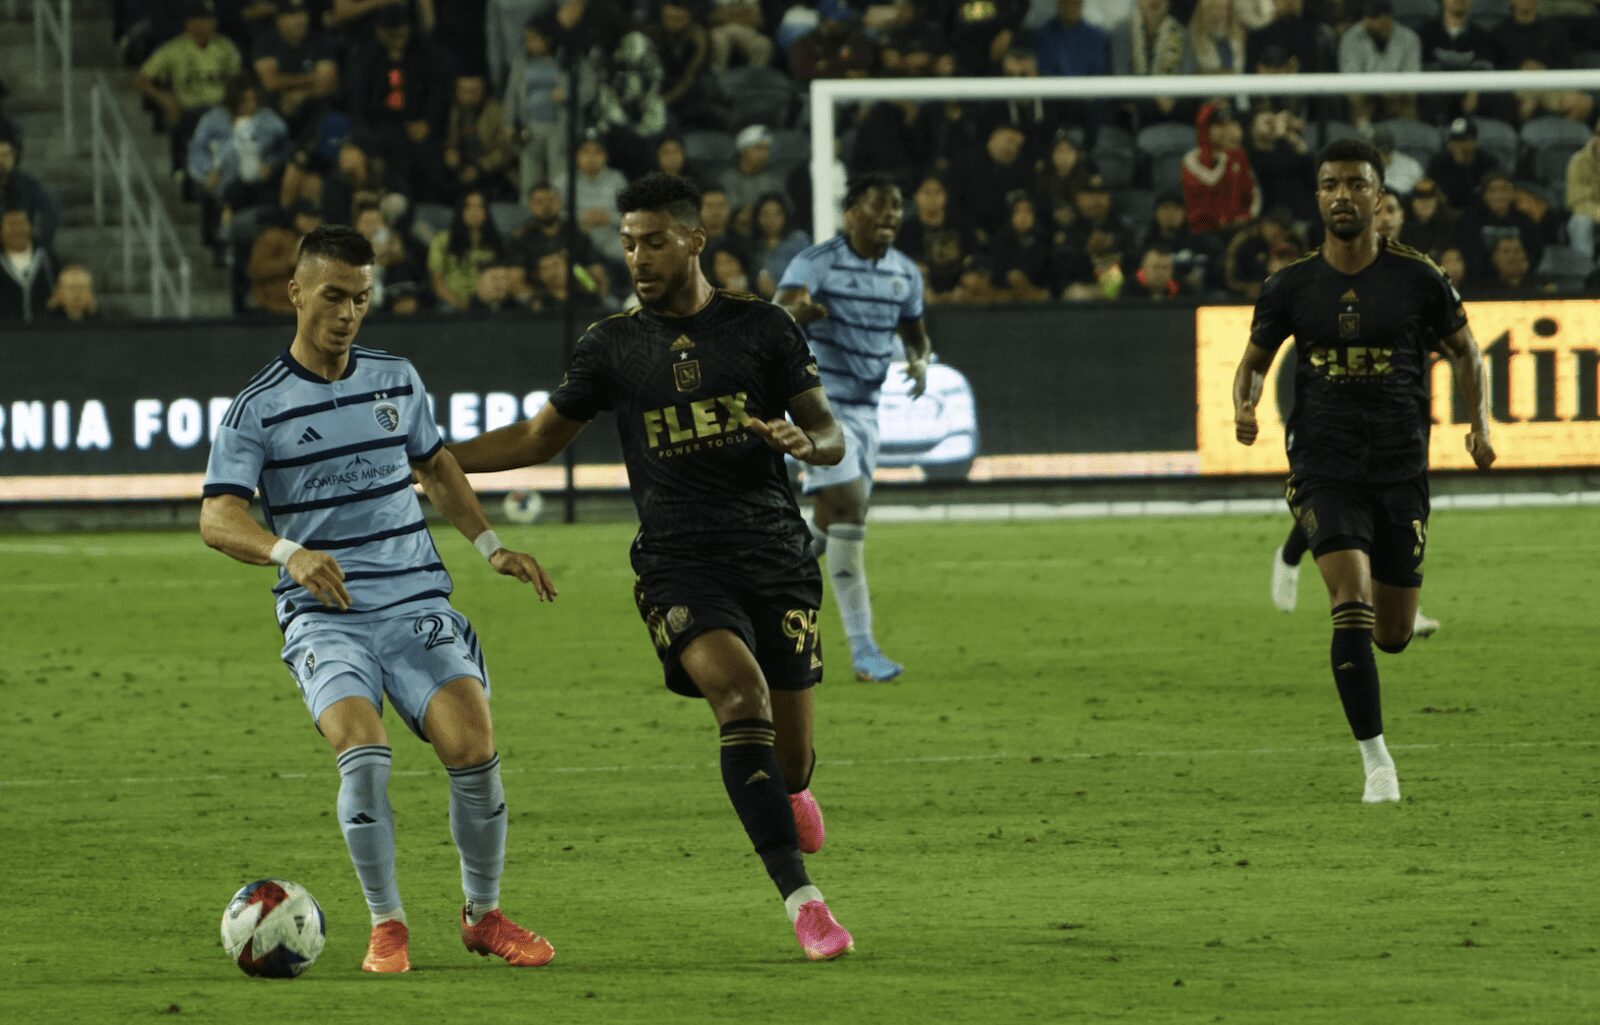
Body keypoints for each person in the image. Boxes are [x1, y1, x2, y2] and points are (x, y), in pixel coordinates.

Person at [448, 173, 857, 961]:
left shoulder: (762, 328)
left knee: (792, 757)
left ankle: (794, 788)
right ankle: (804, 902)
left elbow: (830, 429)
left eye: (654, 241)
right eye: (628, 242)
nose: (637, 256)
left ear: (695, 239)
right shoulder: (611, 345)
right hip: (679, 564)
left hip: (775, 555)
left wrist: (812, 445)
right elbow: (537, 440)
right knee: (739, 697)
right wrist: (434, 459)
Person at [199, 224, 559, 974]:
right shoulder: (255, 409)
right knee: (364, 757)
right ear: (295, 292)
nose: (348, 313)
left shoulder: (396, 378)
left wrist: (492, 547)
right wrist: (288, 552)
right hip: (325, 617)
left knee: (475, 747)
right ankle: (387, 924)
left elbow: (436, 464)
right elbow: (217, 515)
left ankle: (483, 914)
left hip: (413, 599)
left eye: (362, 298)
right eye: (334, 296)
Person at [1233, 138, 1496, 804]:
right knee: (1347, 603)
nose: (1343, 195)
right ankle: (1377, 762)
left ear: (1380, 198)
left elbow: (1468, 352)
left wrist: (1480, 423)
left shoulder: (1417, 277)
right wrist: (1246, 404)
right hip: (1324, 463)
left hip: (1399, 467)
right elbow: (1255, 361)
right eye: (1330, 184)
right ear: (1317, 196)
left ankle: (1380, 636)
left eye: (1356, 184)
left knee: (1393, 633)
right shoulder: (1291, 285)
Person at [776, 171, 931, 683]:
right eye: (879, 205)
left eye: (896, 207)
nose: (890, 215)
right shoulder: (816, 262)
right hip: (818, 404)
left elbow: (916, 334)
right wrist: (804, 310)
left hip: (866, 410)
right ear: (851, 214)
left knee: (831, 520)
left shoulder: (905, 273)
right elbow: (780, 314)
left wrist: (920, 362)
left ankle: (762, 575)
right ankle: (864, 650)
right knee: (850, 509)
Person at [1270, 185, 1442, 639]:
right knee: (1338, 499)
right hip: (1336, 415)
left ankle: (1396, 603)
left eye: (1392, 211)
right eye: (1379, 210)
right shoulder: (1330, 271)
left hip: (1396, 415)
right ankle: (1296, 561)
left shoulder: (1415, 273)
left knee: (1394, 509)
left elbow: (1449, 337)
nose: (1384, 218)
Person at [0, 206, 54, 321]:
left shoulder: (47, 258)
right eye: (11, 225)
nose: (16, 230)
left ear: (30, 226)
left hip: (43, 331)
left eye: (20, 223)